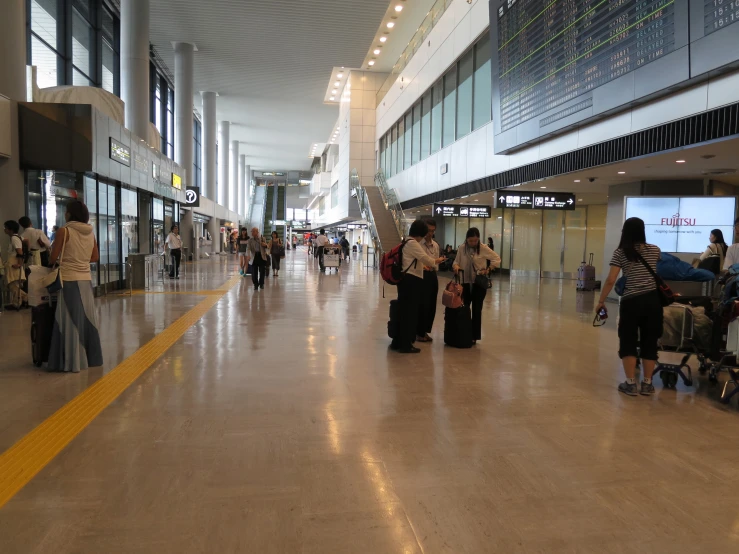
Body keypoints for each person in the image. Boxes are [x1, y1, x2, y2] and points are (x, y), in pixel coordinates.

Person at [596, 217, 662, 396]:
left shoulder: (621, 252)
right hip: (652, 301)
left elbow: (611, 279)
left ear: (625, 231)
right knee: (650, 341)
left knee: (628, 340)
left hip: (631, 302)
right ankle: (647, 384)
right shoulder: (655, 250)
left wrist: (601, 301)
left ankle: (630, 383)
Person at [47, 200, 103, 373]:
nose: (65, 214)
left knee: (69, 320)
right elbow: (95, 257)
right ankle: (90, 358)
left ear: (70, 213)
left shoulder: (65, 231)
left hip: (69, 280)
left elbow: (52, 258)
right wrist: (80, 259)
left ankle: (70, 362)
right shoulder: (90, 232)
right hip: (85, 281)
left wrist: (67, 259)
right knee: (87, 319)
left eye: (66, 211)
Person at [391, 220, 447, 354]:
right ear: (420, 233)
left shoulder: (406, 242)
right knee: (410, 314)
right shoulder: (412, 243)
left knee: (404, 312)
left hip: (406, 281)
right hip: (411, 281)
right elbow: (427, 259)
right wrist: (437, 261)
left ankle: (398, 341)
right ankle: (406, 344)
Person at [452, 228, 501, 344]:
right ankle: (465, 332)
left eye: (475, 240)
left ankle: (474, 336)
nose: (473, 243)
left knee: (477, 309)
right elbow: (455, 262)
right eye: (470, 241)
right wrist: (456, 267)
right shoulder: (462, 248)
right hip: (465, 282)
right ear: (466, 239)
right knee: (465, 308)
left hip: (479, 283)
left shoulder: (483, 248)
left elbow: (496, 259)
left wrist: (489, 269)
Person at [416, 219, 440, 343]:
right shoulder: (418, 243)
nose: (429, 233)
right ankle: (419, 332)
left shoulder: (435, 245)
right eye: (428, 230)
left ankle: (425, 331)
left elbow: (435, 261)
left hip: (432, 275)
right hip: (422, 275)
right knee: (423, 304)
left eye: (432, 230)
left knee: (432, 304)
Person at [3, 220, 26, 310]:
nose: (4, 230)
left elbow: (19, 252)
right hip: (12, 263)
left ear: (10, 229)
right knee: (14, 285)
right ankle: (19, 302)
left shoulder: (14, 238)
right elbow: (26, 241)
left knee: (12, 284)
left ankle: (25, 299)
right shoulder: (17, 237)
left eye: (5, 228)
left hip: (14, 264)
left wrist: (19, 264)